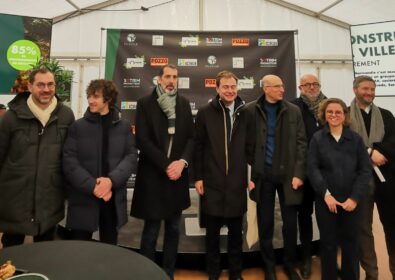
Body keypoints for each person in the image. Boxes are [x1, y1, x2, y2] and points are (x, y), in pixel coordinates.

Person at [130, 64, 194, 279]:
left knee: (174, 229)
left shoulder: (184, 104)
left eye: (175, 77)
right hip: (154, 176)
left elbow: (191, 139)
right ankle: (148, 273)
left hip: (177, 177)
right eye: (167, 76)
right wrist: (167, 165)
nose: (171, 80)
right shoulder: (145, 104)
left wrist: (181, 163)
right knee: (151, 230)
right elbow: (142, 140)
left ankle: (168, 272)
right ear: (159, 79)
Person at [0, 68, 75, 247]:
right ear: (30, 86)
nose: (46, 89)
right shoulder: (11, 117)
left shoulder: (66, 115)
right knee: (12, 254)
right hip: (14, 200)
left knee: (46, 253)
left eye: (50, 84)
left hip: (50, 198)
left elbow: (70, 156)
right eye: (40, 85)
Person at [246, 74, 307, 280]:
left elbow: (302, 144)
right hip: (263, 176)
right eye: (277, 86)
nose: (282, 89)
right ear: (266, 89)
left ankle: (290, 264)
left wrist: (299, 173)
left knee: (290, 224)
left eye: (282, 85)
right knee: (265, 223)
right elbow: (244, 145)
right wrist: (252, 171)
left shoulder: (294, 110)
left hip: (290, 177)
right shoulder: (250, 110)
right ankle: (269, 266)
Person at [62, 79, 137, 244]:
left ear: (108, 99)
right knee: (81, 250)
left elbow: (131, 157)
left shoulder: (124, 126)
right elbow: (69, 162)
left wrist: (111, 181)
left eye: (95, 96)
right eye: (89, 96)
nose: (90, 100)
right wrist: (94, 187)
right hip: (84, 197)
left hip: (112, 198)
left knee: (110, 249)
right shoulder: (77, 127)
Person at [194, 71, 253, 280]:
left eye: (233, 87)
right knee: (212, 234)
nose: (230, 91)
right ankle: (213, 270)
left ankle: (236, 272)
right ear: (217, 89)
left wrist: (252, 177)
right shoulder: (204, 113)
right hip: (212, 182)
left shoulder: (246, 113)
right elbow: (198, 147)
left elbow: (251, 148)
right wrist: (198, 177)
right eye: (225, 87)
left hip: (237, 183)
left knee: (237, 233)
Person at [308, 98, 371, 280]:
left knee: (351, 244)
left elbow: (365, 170)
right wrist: (326, 195)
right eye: (330, 112)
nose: (334, 115)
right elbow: (312, 168)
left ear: (345, 115)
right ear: (324, 115)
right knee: (328, 244)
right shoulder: (317, 138)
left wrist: (355, 198)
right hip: (327, 201)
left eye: (338, 112)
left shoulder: (356, 139)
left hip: (352, 201)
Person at [349, 75, 395, 280]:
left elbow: (393, 139)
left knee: (392, 226)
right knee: (363, 229)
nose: (369, 92)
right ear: (355, 90)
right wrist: (369, 153)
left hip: (387, 180)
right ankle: (371, 272)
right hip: (358, 180)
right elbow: (344, 143)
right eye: (365, 88)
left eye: (372, 89)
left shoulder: (386, 115)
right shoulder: (345, 116)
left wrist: (380, 152)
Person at [291, 74, 326, 279]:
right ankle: (305, 259)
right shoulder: (293, 107)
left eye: (315, 84)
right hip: (303, 173)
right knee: (304, 217)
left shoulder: (330, 105)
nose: (312, 87)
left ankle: (326, 257)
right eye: (308, 84)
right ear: (300, 87)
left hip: (326, 174)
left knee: (326, 218)